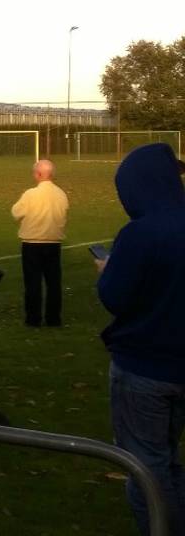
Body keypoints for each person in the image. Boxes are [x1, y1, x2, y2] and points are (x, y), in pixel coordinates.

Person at [96, 143, 185, 535]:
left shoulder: (141, 233)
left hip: (144, 370)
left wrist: (107, 270)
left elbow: (115, 297)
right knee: (166, 458)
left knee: (146, 467)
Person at [10, 159, 69, 327]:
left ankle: (33, 319)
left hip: (32, 243)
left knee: (32, 283)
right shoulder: (61, 194)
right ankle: (53, 319)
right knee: (54, 283)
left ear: (38, 174)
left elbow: (16, 213)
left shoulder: (31, 194)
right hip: (53, 243)